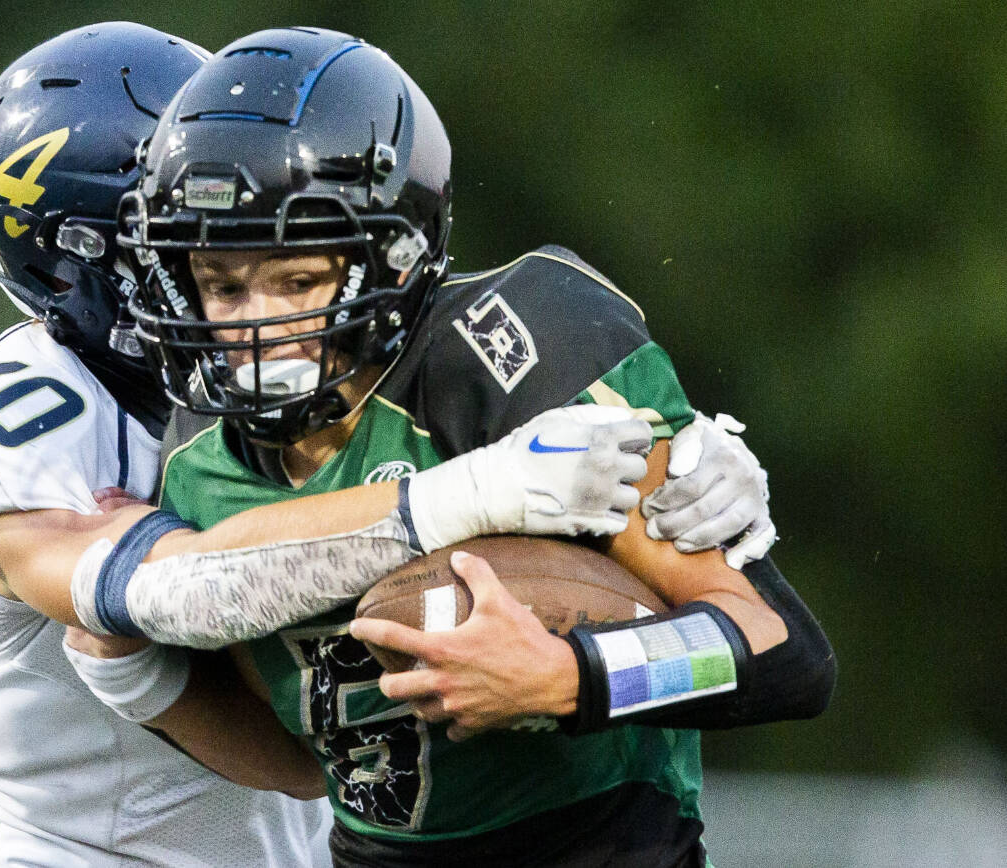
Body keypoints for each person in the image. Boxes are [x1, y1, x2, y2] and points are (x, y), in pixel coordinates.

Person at [0, 21, 768, 868]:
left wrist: (660, 455)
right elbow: (171, 590)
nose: (255, 274)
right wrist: (482, 489)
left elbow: (321, 750)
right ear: (91, 253)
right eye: (203, 255)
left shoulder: (295, 390)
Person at [109, 27, 835, 867]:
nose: (254, 326)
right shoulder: (197, 454)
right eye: (222, 284)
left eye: (297, 279)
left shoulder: (515, 354)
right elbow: (297, 762)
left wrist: (570, 675)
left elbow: (783, 652)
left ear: (393, 254)